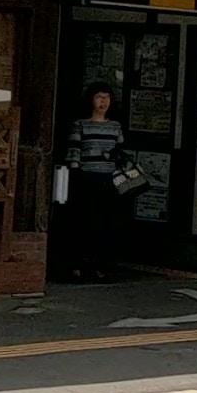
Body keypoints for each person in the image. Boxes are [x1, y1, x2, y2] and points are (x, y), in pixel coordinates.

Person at [66, 82, 126, 281]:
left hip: (109, 180)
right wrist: (76, 174)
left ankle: (102, 267)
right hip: (86, 178)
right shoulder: (80, 124)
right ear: (91, 100)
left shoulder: (115, 126)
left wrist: (113, 156)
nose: (103, 102)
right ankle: (77, 265)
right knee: (83, 222)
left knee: (105, 225)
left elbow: (121, 151)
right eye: (99, 97)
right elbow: (74, 150)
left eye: (107, 97)